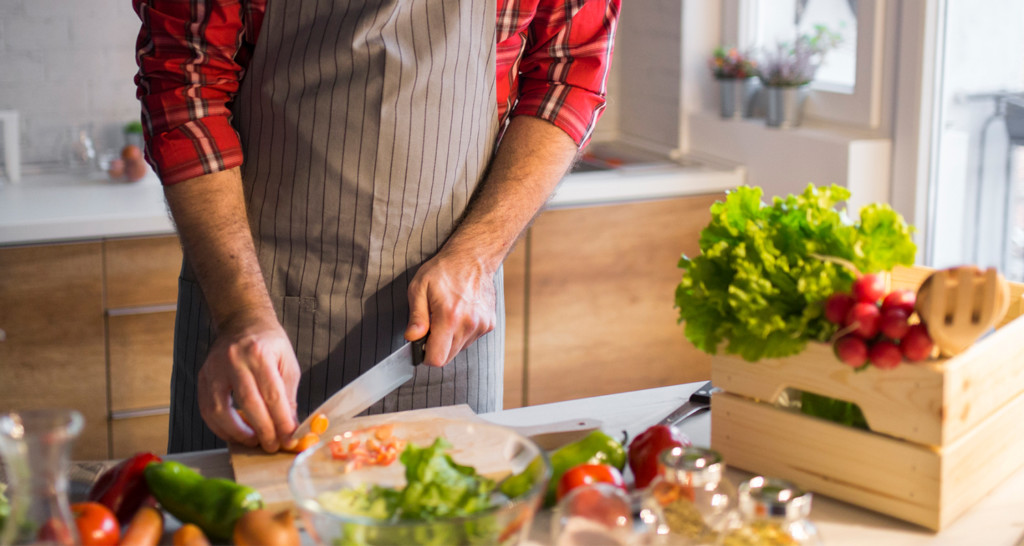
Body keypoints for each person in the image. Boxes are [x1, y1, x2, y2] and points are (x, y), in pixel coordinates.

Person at [133, 0, 620, 453]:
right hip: (251, 312)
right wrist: (242, 316)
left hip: (449, 322)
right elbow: (186, 91)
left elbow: (568, 75)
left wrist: (477, 257)